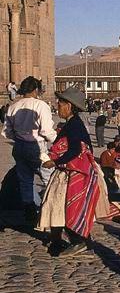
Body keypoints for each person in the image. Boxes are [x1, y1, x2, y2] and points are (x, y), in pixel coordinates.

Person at [37, 87, 102, 257]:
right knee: (56, 203)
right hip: (66, 172)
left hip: (74, 173)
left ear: (70, 106)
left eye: (61, 103)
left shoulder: (75, 126)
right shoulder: (71, 124)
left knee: (68, 206)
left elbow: (75, 150)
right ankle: (60, 239)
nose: (58, 106)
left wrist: (55, 161)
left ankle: (78, 241)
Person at [1, 76, 57, 222]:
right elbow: (46, 131)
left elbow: (6, 131)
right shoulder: (41, 106)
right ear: (36, 90)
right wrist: (56, 139)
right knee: (49, 177)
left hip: (19, 147)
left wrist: (20, 137)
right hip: (37, 147)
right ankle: (54, 209)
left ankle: (29, 211)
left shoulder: (13, 106)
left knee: (25, 180)